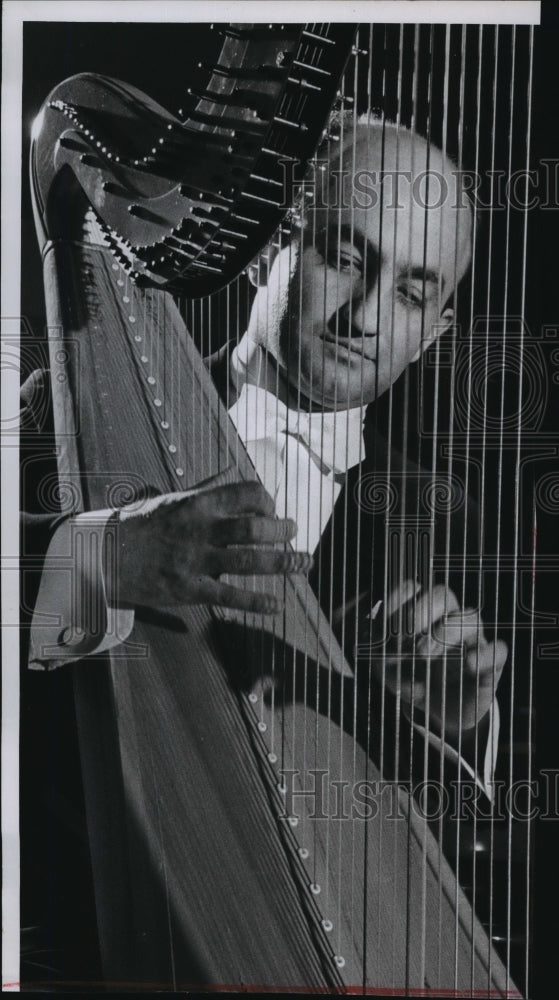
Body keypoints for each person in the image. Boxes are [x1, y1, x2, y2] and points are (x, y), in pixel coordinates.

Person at [28, 116, 505, 785]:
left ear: (432, 334)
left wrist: (445, 731)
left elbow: (451, 857)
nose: (364, 317)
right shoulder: (62, 409)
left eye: (410, 293)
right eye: (345, 258)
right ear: (266, 247)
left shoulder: (449, 525)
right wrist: (103, 559)